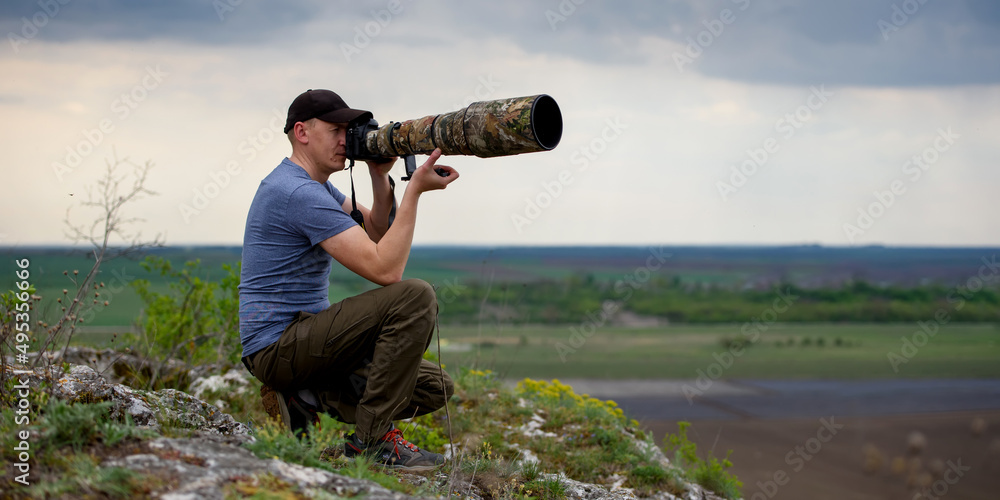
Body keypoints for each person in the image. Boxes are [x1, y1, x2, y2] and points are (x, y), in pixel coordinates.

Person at [238, 89, 458, 470]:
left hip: (307, 340)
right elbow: (386, 270)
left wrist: (379, 175)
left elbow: (375, 229)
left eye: (348, 131)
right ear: (303, 132)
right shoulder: (296, 192)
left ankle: (305, 397)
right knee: (415, 296)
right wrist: (415, 192)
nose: (346, 140)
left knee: (433, 387)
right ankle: (372, 442)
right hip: (277, 346)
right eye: (336, 129)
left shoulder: (315, 185)